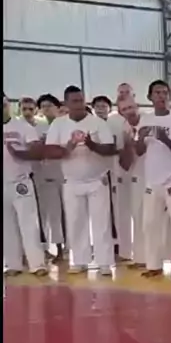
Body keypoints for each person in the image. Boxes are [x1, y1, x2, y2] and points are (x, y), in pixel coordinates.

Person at [44, 85, 117, 274]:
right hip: (71, 181)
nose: (79, 104)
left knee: (101, 223)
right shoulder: (58, 124)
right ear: (66, 103)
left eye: (81, 100)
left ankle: (104, 263)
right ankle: (79, 260)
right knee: (76, 222)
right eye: (74, 101)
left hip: (97, 180)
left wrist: (91, 144)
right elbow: (50, 151)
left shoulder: (97, 123)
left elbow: (110, 149)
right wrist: (70, 145)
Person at [136, 79, 171, 278]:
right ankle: (153, 265)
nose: (161, 96)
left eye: (165, 92)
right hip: (152, 180)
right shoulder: (145, 119)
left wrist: (164, 139)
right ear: (150, 97)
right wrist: (140, 138)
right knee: (149, 224)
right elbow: (139, 151)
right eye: (157, 93)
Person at [3, 94, 47, 276]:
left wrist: (19, 154)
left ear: (8, 105)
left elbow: (38, 152)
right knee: (7, 226)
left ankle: (37, 264)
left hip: (20, 181)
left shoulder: (23, 127)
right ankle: (13, 264)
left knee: (28, 224)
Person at [107, 96, 146, 267]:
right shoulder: (119, 128)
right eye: (124, 109)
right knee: (126, 215)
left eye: (131, 107)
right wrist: (128, 145)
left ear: (137, 106)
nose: (129, 112)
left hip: (149, 176)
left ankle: (144, 256)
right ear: (120, 112)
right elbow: (125, 163)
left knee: (143, 218)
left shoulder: (148, 122)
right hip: (128, 176)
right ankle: (129, 253)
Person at [36, 94, 65, 260]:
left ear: (57, 108)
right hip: (46, 174)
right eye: (43, 106)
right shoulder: (37, 127)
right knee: (53, 213)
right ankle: (58, 248)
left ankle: (73, 248)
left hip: (66, 172)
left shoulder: (65, 124)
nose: (46, 109)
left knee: (71, 212)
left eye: (49, 105)